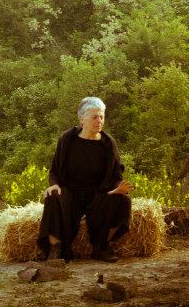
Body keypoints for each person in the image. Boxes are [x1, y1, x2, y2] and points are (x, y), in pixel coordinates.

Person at [36, 96, 132, 263]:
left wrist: (116, 189)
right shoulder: (68, 139)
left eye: (102, 116)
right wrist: (55, 185)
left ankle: (102, 247)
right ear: (82, 119)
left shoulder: (108, 143)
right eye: (94, 117)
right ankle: (56, 249)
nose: (99, 121)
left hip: (98, 195)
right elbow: (55, 170)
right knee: (52, 196)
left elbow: (116, 176)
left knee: (123, 200)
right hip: (71, 194)